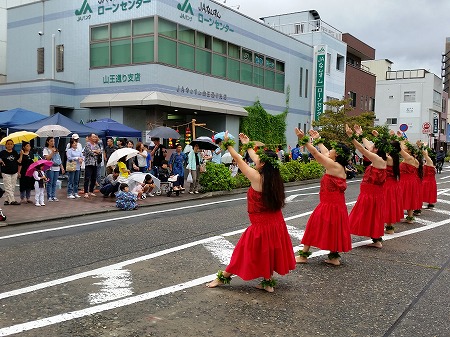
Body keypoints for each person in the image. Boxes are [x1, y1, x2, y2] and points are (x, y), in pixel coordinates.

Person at [206, 132, 296, 292]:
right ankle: (268, 283)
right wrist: (247, 144)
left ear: (262, 164)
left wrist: (228, 145)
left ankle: (222, 278)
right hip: (275, 222)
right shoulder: (273, 177)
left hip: (260, 224)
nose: (256, 160)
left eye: (259, 159)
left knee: (243, 251)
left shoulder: (256, 177)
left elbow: (239, 161)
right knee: (268, 250)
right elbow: (255, 159)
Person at [295, 129, 352, 266]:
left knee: (313, 225)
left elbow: (316, 154)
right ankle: (333, 257)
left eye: (333, 149)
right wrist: (318, 138)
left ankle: (303, 256)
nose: (330, 150)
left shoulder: (333, 166)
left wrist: (305, 139)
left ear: (337, 154)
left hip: (329, 204)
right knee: (334, 229)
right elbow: (324, 152)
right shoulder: (338, 165)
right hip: (336, 204)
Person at [346, 124, 387, 248]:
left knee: (361, 214)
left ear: (377, 150)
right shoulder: (379, 158)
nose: (371, 147)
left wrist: (352, 137)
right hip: (371, 193)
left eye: (373, 147)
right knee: (372, 215)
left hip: (371, 194)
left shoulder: (378, 160)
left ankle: (343, 234)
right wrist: (360, 134)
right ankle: (376, 239)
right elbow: (367, 146)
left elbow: (363, 149)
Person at [398, 136, 423, 224]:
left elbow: (399, 149)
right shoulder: (414, 159)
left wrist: (400, 139)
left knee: (403, 197)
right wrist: (402, 139)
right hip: (412, 181)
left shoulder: (409, 158)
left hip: (406, 181)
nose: (404, 149)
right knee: (410, 197)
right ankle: (410, 217)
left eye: (406, 148)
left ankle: (399, 216)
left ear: (409, 151)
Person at [382, 138, 402, 234]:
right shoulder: (396, 158)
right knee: (391, 204)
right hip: (393, 184)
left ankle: (388, 227)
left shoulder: (388, 158)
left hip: (388, 184)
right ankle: (390, 226)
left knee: (387, 204)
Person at [43, 136, 65, 202]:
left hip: (56, 168)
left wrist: (62, 167)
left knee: (54, 183)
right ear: (48, 142)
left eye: (53, 141)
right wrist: (52, 152)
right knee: (50, 182)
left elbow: (59, 159)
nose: (53, 142)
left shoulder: (56, 149)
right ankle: (49, 196)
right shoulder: (46, 149)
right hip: (50, 168)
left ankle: (53, 195)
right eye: (51, 141)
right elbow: (47, 158)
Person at [0, 139, 21, 205]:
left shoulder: (14, 152)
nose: (9, 145)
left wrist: (21, 155)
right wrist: (0, 160)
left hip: (14, 171)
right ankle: (12, 200)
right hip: (5, 172)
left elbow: (19, 161)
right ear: (5, 145)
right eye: (8, 144)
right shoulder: (3, 152)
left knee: (12, 187)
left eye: (11, 144)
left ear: (13, 145)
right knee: (8, 186)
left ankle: (7, 200)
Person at [82, 133, 102, 198]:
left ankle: (91, 191)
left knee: (94, 178)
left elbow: (100, 152)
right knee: (87, 178)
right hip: (89, 163)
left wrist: (95, 151)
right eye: (93, 137)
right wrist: (95, 152)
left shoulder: (96, 145)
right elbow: (89, 152)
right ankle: (86, 192)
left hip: (95, 163)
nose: (95, 138)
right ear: (90, 138)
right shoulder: (87, 144)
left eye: (95, 137)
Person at [420, 144, 437, 210]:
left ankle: (419, 206)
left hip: (427, 180)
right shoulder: (428, 162)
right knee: (430, 192)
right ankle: (430, 203)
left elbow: (425, 155)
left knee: (423, 192)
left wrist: (423, 147)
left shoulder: (430, 161)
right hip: (430, 180)